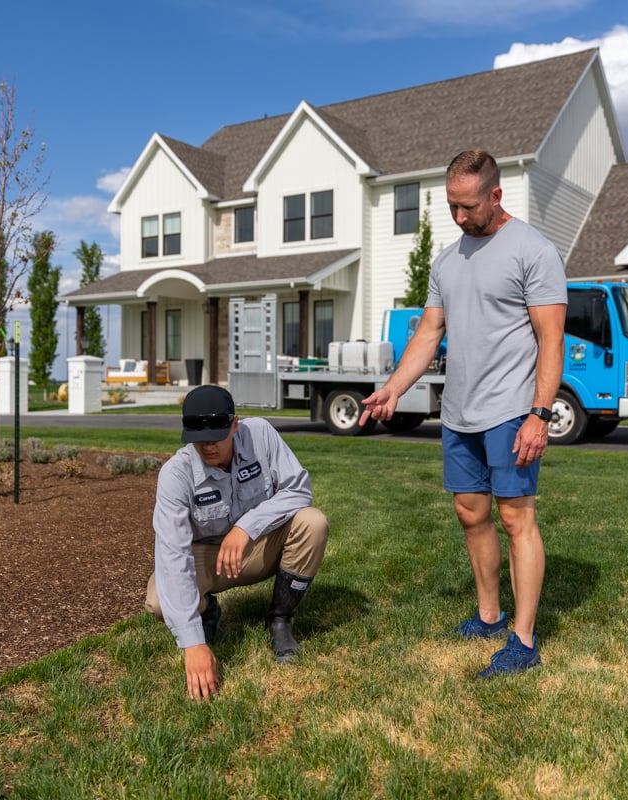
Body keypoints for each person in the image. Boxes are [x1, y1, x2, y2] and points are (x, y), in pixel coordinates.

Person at [361, 149, 567, 678]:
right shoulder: (447, 261)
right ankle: (489, 615)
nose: (459, 217)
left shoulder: (533, 251)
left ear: (495, 196)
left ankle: (522, 639)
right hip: (458, 414)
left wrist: (539, 414)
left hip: (511, 411)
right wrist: (392, 389)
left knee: (516, 517)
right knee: (471, 514)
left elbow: (551, 340)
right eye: (452, 206)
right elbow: (429, 332)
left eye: (468, 206)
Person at [146, 385, 329, 701]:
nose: (207, 447)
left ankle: (281, 621)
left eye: (216, 435)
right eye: (198, 439)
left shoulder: (260, 434)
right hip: (207, 558)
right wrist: (193, 644)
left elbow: (298, 490)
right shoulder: (175, 475)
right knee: (158, 600)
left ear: (235, 424)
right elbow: (173, 555)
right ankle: (206, 614)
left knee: (313, 522)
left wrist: (246, 527)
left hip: (257, 547)